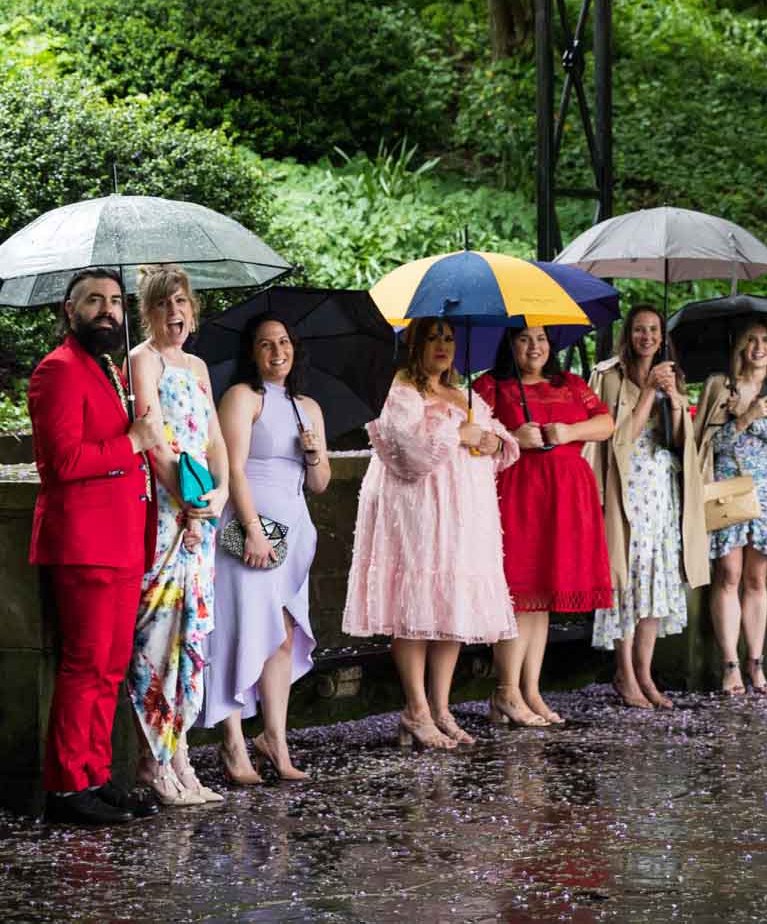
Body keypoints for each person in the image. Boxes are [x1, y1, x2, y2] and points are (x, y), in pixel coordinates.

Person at [343, 317, 520, 749]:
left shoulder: (465, 392)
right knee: (415, 605)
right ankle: (415, 709)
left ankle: (440, 708)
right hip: (417, 510)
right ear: (414, 344)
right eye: (433, 337)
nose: (442, 345)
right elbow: (406, 452)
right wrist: (457, 431)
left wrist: (493, 440)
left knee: (449, 607)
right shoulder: (400, 390)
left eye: (449, 338)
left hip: (464, 513)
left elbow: (495, 437)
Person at [27, 268, 164, 827]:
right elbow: (59, 463)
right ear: (69, 309)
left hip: (124, 538)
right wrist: (131, 441)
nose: (107, 310)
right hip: (85, 543)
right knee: (84, 666)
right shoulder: (56, 371)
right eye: (94, 301)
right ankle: (66, 786)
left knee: (111, 667)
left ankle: (96, 775)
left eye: (114, 301)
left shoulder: (108, 368)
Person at [125, 264, 230, 807]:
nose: (175, 313)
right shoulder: (142, 360)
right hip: (166, 515)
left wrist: (220, 493)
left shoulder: (198, 364)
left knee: (191, 638)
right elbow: (155, 442)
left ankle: (182, 755)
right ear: (149, 311)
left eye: (183, 302)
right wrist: (187, 505)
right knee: (160, 634)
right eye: (164, 304)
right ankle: (154, 760)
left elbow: (214, 440)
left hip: (201, 512)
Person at [209, 315, 331, 783]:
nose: (277, 351)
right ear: (252, 353)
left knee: (283, 634)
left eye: (284, 341)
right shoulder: (243, 398)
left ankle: (275, 738)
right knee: (242, 630)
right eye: (265, 344)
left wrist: (315, 453)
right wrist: (253, 528)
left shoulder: (307, 407)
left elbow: (319, 485)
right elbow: (232, 469)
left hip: (295, 531)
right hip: (252, 527)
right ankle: (233, 743)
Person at [475, 326, 616, 726]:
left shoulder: (569, 383)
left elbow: (605, 423)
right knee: (518, 594)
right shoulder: (491, 386)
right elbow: (472, 436)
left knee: (542, 599)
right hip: (519, 494)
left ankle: (530, 690)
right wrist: (513, 438)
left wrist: (569, 431)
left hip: (567, 497)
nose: (534, 346)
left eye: (541, 338)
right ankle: (506, 691)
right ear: (509, 345)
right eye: (523, 339)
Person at [691, 317, 767, 697]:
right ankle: (730, 665)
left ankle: (756, 664)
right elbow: (706, 447)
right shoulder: (719, 386)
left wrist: (758, 419)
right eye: (751, 340)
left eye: (766, 340)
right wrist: (741, 417)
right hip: (727, 487)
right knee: (728, 574)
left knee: (757, 579)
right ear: (739, 347)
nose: (759, 347)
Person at [586, 306, 704, 710]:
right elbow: (617, 439)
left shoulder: (673, 374)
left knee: (654, 585)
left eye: (654, 330)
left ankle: (645, 672)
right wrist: (650, 391)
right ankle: (625, 673)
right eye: (639, 330)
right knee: (628, 583)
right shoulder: (609, 375)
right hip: (625, 490)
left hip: (660, 493)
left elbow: (678, 443)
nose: (647, 337)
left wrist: (673, 399)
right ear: (628, 335)